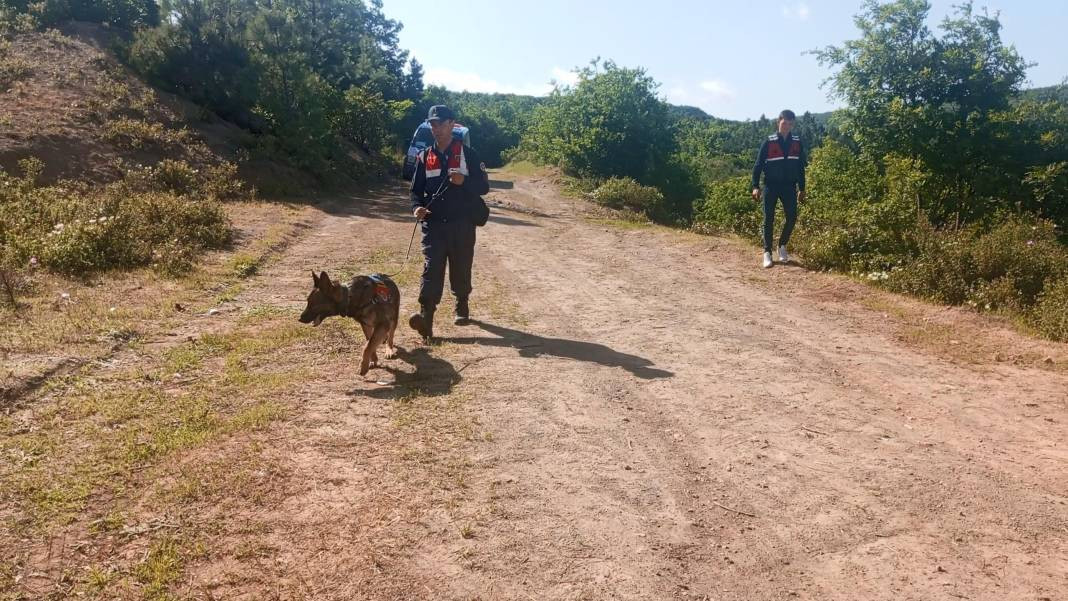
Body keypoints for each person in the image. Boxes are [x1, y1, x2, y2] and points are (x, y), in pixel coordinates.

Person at [408, 105, 490, 340]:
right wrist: (417, 208)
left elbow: (483, 187)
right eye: (433, 124)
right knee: (431, 269)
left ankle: (462, 303)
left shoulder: (469, 155)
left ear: (452, 124)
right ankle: (426, 318)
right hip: (433, 224)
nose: (436, 128)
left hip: (462, 224)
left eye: (441, 124)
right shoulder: (425, 156)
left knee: (461, 266)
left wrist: (464, 181)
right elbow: (415, 191)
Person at [751, 109, 807, 268]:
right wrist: (755, 186)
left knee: (792, 217)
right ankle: (767, 252)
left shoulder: (797, 142)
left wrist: (802, 188)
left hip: (789, 186)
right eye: (784, 123)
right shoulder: (769, 142)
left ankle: (782, 245)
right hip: (771, 185)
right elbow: (758, 165)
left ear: (792, 124)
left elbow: (800, 167)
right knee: (768, 218)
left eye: (789, 123)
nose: (786, 126)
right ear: (778, 122)